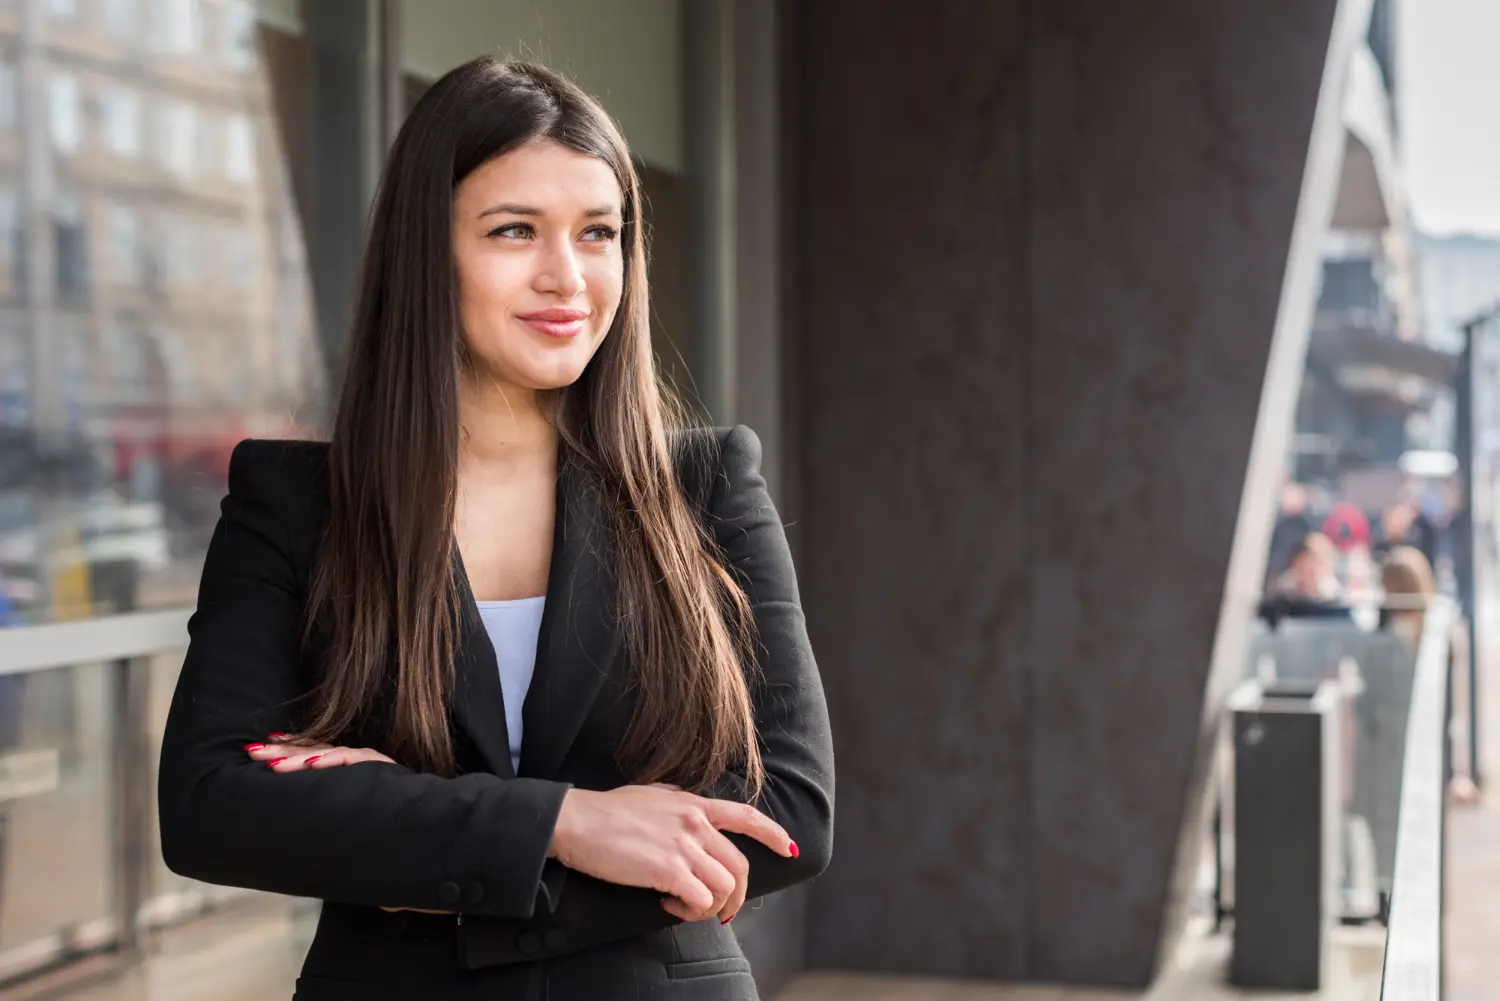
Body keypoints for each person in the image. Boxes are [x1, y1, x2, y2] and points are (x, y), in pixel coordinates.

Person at [156, 58, 833, 1001]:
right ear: (426, 252)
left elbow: (789, 813)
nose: (568, 276)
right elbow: (210, 807)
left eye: (599, 233)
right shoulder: (297, 502)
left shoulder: (705, 485)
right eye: (515, 230)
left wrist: (415, 838)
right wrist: (564, 823)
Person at [1258, 532, 1355, 627]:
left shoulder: (1338, 607)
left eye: (1319, 563)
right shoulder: (1279, 604)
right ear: (1295, 564)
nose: (1312, 570)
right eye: (1307, 563)